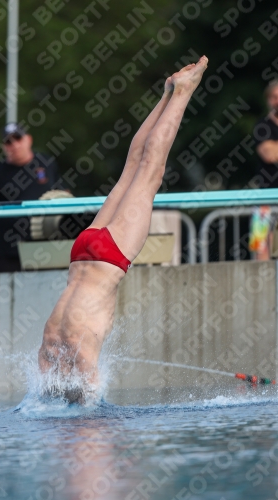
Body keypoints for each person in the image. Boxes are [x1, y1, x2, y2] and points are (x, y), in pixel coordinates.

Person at [38, 56, 209, 403]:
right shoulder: (52, 351)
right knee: (135, 169)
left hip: (105, 258)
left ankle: (181, 93)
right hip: (83, 253)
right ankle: (166, 94)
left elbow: (87, 398)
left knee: (148, 172)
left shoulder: (70, 353)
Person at [0, 124, 65, 272]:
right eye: (8, 142)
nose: (14, 145)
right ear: (4, 146)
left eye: (18, 138)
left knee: (49, 292)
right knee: (7, 293)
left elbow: (63, 193)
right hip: (8, 251)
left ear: (28, 139)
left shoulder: (46, 163)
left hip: (45, 246)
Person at [252, 79, 278, 260]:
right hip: (266, 197)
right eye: (275, 97)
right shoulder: (262, 127)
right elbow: (270, 155)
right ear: (268, 100)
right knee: (260, 247)